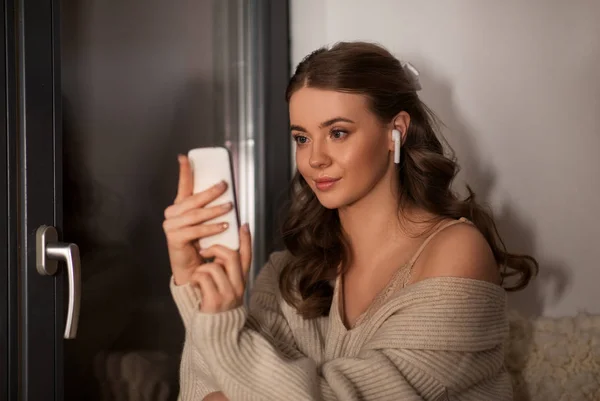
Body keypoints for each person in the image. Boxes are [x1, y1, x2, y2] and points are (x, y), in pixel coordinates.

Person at [162, 42, 538, 401]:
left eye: (337, 133)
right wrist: (193, 282)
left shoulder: (456, 251)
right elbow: (202, 393)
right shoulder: (292, 273)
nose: (315, 159)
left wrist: (223, 328)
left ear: (397, 131)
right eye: (302, 138)